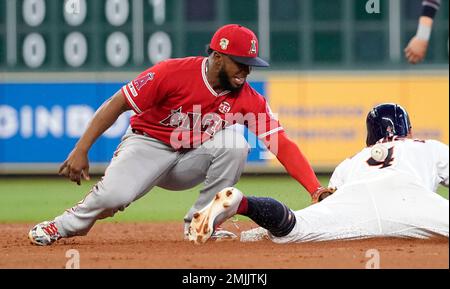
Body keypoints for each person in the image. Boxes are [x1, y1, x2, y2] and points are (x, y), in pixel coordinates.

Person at [28, 24, 331, 246]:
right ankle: (61, 226)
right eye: (241, 63)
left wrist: (314, 188)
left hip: (191, 158)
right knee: (113, 197)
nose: (246, 71)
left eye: (251, 65)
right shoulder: (171, 73)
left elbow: (280, 143)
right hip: (147, 145)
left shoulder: (248, 97)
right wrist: (82, 148)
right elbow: (117, 103)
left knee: (235, 145)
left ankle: (200, 224)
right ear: (217, 56)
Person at [188, 103, 449, 244]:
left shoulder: (352, 161)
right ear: (410, 131)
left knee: (296, 227)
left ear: (370, 136)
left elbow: (329, 202)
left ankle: (242, 203)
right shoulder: (429, 147)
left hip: (358, 201)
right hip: (412, 199)